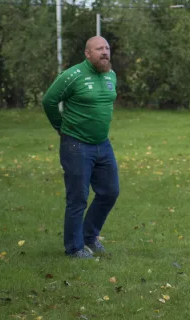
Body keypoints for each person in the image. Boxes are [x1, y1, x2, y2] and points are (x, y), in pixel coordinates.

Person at [42, 36, 119, 259]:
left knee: (110, 192)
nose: (104, 52)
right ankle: (74, 248)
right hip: (76, 144)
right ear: (87, 53)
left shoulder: (110, 75)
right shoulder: (72, 76)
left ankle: (89, 236)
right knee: (78, 198)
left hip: (102, 144)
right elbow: (49, 100)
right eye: (99, 49)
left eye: (107, 48)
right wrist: (60, 126)